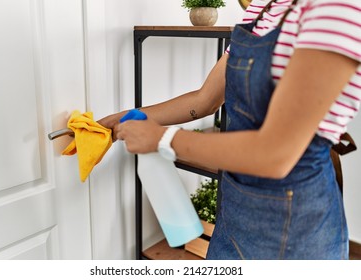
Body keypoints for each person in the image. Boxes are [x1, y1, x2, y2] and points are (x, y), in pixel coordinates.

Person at [98, 0, 361, 259]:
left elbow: (277, 155)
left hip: (294, 229)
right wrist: (126, 118)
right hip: (234, 211)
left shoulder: (336, 6)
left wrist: (162, 139)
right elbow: (204, 100)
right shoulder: (264, 6)